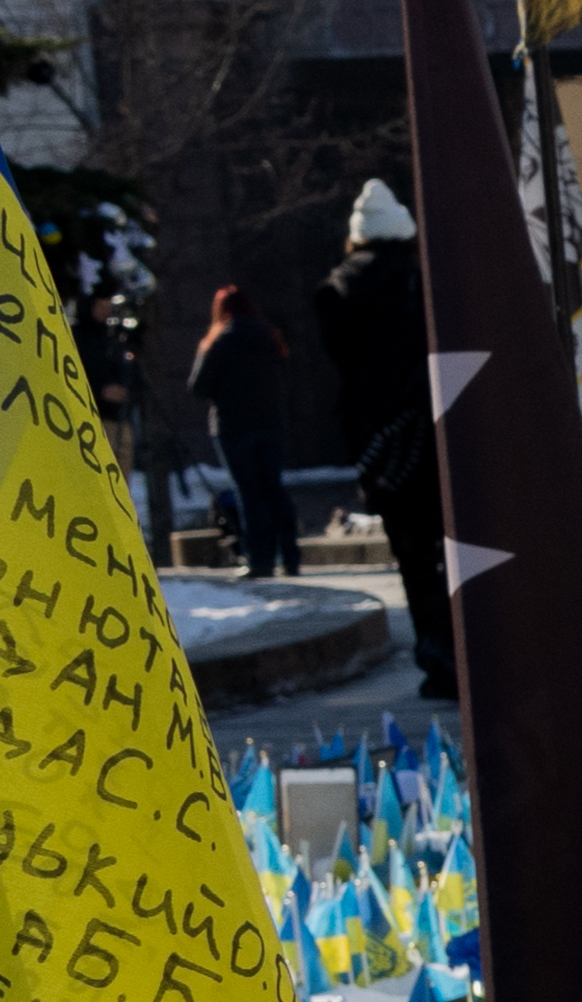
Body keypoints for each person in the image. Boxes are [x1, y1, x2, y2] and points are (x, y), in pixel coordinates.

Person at [315, 180, 448, 699]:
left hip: (378, 442)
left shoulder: (333, 292)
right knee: (452, 544)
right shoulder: (423, 283)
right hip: (431, 424)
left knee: (412, 555)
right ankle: (471, 651)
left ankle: (436, 656)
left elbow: (342, 362)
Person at [186, 280, 307, 576]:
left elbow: (198, 387)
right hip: (270, 422)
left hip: (232, 425)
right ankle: (290, 557)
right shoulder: (270, 337)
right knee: (274, 489)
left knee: (248, 493)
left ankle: (259, 560)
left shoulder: (217, 343)